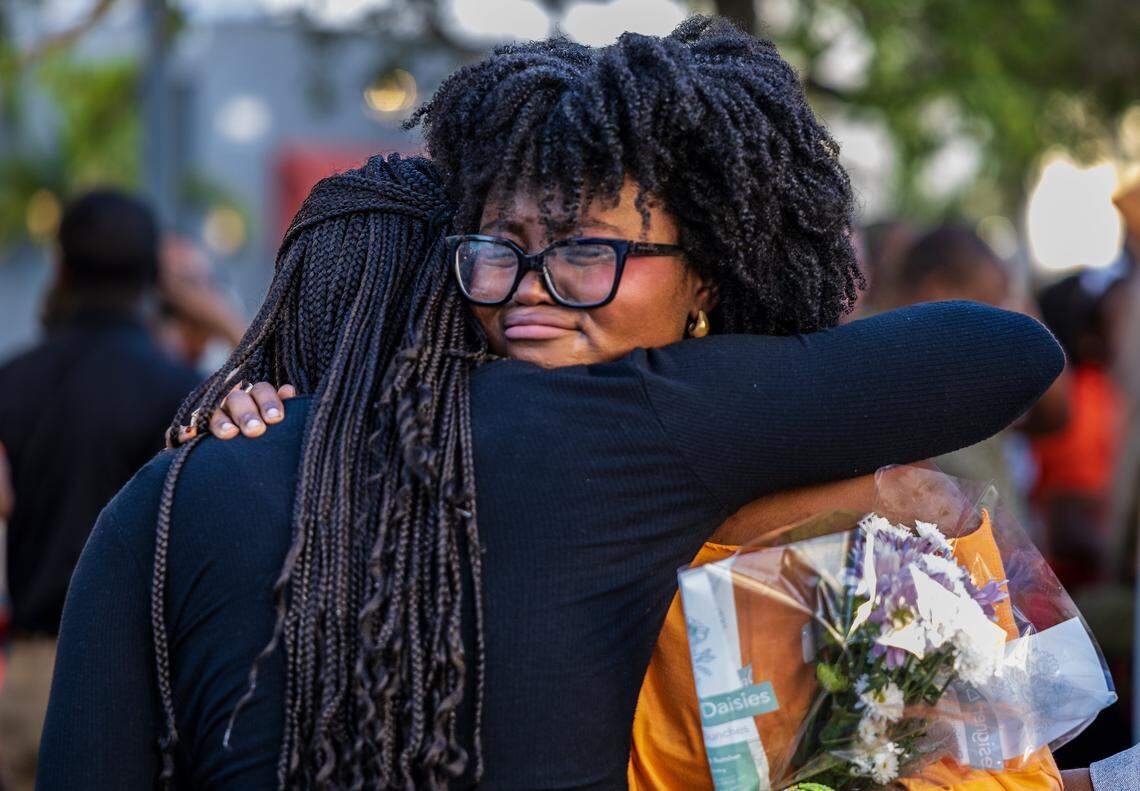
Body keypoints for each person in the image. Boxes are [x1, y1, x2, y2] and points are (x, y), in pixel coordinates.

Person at [41, 20, 1064, 791]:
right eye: (501, 250)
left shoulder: (164, 495)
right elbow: (1006, 350)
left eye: (585, 250)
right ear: (453, 274)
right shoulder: (625, 431)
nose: (531, 286)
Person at [0, 190, 201, 789]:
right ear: (153, 279)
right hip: (143, 679)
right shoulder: (185, 390)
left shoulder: (13, 381)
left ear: (60, 268)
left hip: (33, 673)